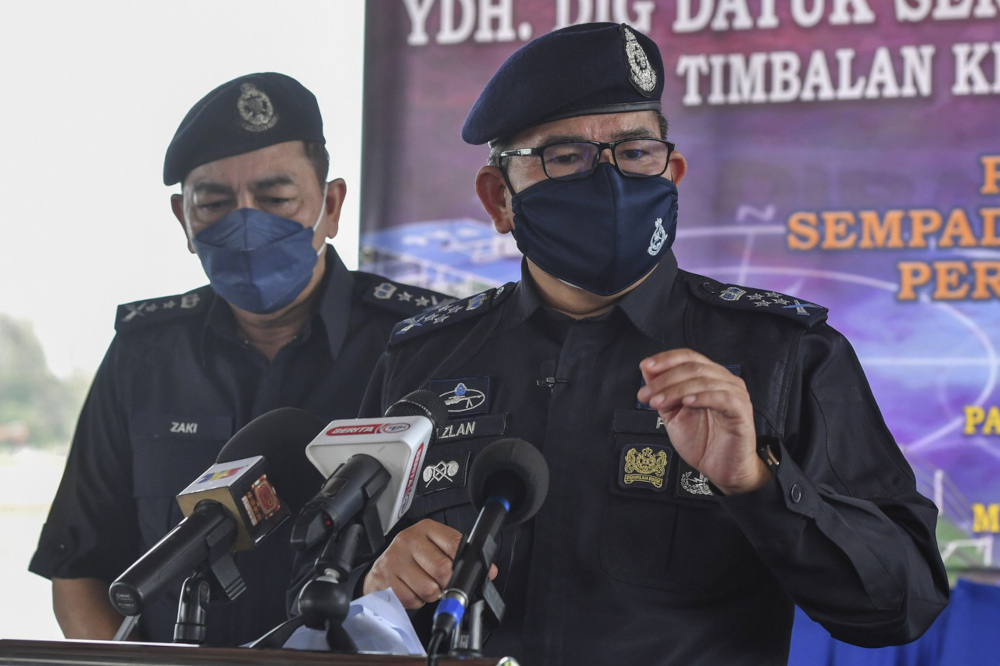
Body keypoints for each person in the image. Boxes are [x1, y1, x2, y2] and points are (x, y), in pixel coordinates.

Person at [348, 23, 949, 665]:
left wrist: (758, 483)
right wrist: (371, 583)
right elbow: (316, 579)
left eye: (635, 152)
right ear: (499, 198)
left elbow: (903, 602)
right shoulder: (424, 359)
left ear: (672, 174)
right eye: (566, 157)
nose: (608, 181)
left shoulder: (783, 355)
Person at [28, 72, 450, 647]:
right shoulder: (143, 354)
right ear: (183, 218)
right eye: (214, 203)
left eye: (275, 199)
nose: (246, 224)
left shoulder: (421, 344)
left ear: (330, 206)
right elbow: (79, 566)